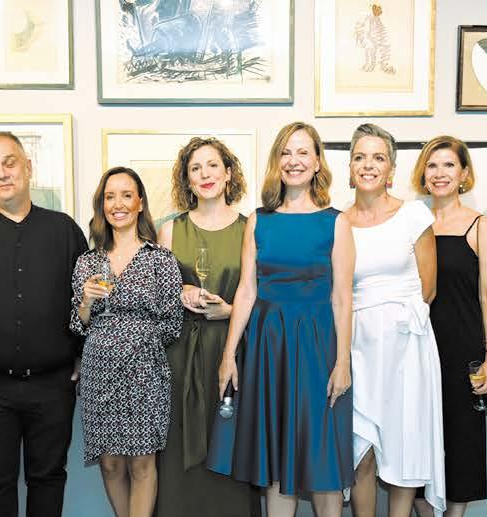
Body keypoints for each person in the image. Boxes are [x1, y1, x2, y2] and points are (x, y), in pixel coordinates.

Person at [213, 122, 355, 517]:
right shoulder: (258, 220)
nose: (294, 161)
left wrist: (343, 363)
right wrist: (229, 356)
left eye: (303, 152)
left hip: (318, 348)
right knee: (275, 459)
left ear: (317, 162)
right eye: (286, 153)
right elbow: (246, 291)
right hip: (268, 347)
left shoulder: (336, 222)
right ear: (277, 161)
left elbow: (342, 298)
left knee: (323, 457)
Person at [0, 132, 88, 517]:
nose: (1, 173)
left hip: (53, 384)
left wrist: (81, 354)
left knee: (48, 477)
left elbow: (82, 301)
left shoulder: (64, 230)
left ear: (28, 167)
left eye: (9, 163)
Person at [154, 137, 259, 517]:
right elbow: (157, 299)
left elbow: (262, 295)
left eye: (213, 165)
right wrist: (180, 291)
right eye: (195, 168)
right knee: (179, 443)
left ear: (228, 173)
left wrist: (230, 311)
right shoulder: (170, 231)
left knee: (230, 441)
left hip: (232, 349)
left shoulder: (251, 228)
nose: (205, 174)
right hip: (181, 353)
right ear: (187, 179)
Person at [70, 167, 184, 517]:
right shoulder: (87, 261)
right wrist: (86, 301)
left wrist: (136, 342)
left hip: (145, 371)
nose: (117, 204)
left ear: (140, 203)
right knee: (110, 463)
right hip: (99, 371)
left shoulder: (160, 259)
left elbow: (173, 323)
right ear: (101, 205)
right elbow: (78, 325)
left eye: (126, 195)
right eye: (110, 196)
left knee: (142, 462)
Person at [343, 123, 444, 517]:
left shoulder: (414, 215)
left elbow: (428, 289)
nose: (368, 165)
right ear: (350, 167)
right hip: (356, 348)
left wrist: (392, 325)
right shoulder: (338, 222)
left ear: (391, 170)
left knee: (405, 447)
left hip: (406, 346)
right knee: (361, 450)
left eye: (378, 158)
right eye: (360, 157)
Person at [417, 135, 487, 517]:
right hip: (417, 348)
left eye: (449, 165)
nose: (440, 173)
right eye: (432, 165)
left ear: (464, 173)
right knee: (417, 447)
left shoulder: (481, 226)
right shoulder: (412, 223)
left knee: (462, 446)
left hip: (463, 350)